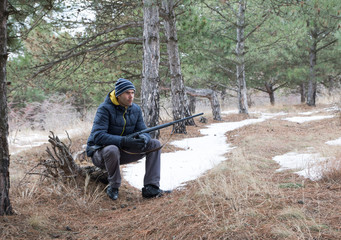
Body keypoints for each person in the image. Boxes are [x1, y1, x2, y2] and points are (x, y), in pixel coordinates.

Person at [86, 78, 167, 200]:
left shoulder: (135, 109)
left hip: (123, 152)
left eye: (133, 92)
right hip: (101, 154)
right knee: (112, 149)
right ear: (118, 94)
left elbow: (144, 130)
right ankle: (113, 186)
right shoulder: (104, 109)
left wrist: (143, 138)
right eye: (127, 93)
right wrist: (123, 140)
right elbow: (98, 136)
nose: (131, 96)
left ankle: (151, 187)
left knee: (154, 144)